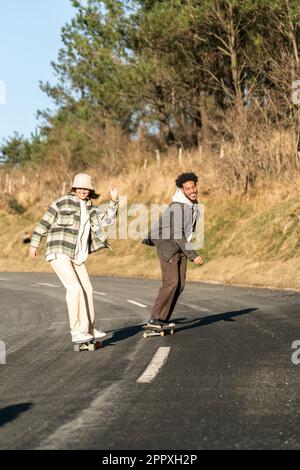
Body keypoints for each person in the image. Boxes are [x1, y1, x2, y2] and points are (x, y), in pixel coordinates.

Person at [29, 173, 119, 344]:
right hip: (59, 250)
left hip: (77, 255)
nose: (83, 191)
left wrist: (114, 202)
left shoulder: (92, 209)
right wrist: (34, 244)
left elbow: (108, 221)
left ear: (90, 190)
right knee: (75, 288)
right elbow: (44, 223)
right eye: (80, 188)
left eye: (86, 188)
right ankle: (76, 331)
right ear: (74, 188)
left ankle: (88, 329)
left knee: (87, 289)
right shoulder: (62, 202)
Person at [143, 172, 203, 329]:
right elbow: (177, 233)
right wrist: (193, 254)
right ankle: (154, 318)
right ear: (182, 190)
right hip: (167, 244)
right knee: (172, 282)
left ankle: (162, 319)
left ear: (196, 186)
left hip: (180, 244)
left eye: (193, 187)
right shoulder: (178, 206)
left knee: (180, 284)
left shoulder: (192, 204)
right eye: (187, 188)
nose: (192, 190)